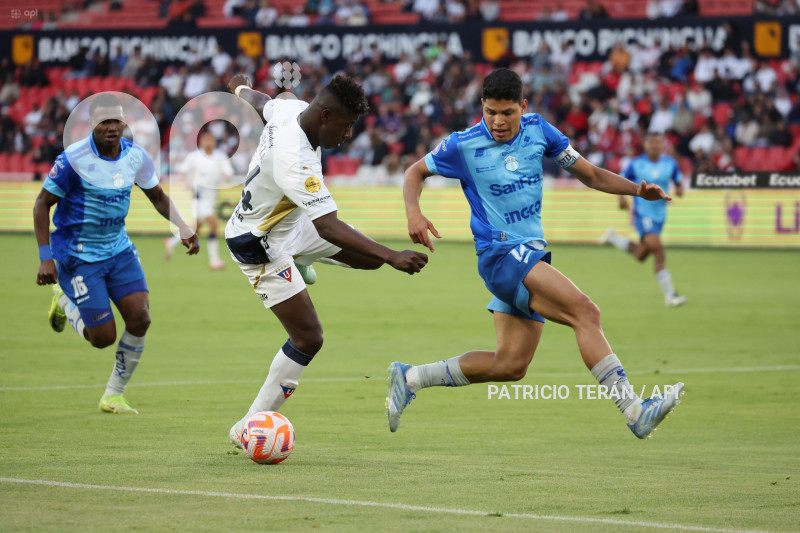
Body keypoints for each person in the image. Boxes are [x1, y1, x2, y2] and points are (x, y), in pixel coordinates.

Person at [388, 69, 684, 438]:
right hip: (500, 255)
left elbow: (590, 174)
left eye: (507, 112)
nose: (497, 121)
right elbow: (414, 172)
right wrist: (413, 212)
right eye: (491, 111)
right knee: (585, 312)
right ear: (482, 105)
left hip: (528, 254)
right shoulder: (462, 144)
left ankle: (411, 377)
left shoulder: (539, 130)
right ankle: (634, 410)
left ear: (523, 107)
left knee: (510, 365)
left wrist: (638, 191)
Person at [224, 74, 428, 447]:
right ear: (326, 116)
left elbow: (261, 101)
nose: (348, 134)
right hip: (260, 243)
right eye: (347, 125)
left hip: (291, 223)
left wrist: (238, 88)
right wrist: (393, 254)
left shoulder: (291, 109)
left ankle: (300, 262)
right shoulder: (294, 160)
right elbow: (330, 227)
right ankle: (248, 428)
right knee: (308, 338)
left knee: (369, 261)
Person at [34, 93, 199, 414]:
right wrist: (45, 257)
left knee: (140, 318)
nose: (111, 127)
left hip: (119, 250)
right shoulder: (73, 160)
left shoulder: (136, 156)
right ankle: (64, 299)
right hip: (78, 255)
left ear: (125, 123)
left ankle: (113, 395)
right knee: (102, 338)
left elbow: (158, 196)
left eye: (116, 121)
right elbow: (42, 204)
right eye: (104, 121)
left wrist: (182, 225)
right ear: (91, 124)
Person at [600, 133, 687, 307]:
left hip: (660, 216)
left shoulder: (670, 164)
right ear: (645, 145)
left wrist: (679, 190)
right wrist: (622, 198)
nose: (655, 146)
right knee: (658, 250)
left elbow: (679, 184)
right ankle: (670, 296)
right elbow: (621, 180)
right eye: (651, 142)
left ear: (663, 145)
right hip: (642, 213)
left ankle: (613, 238)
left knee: (640, 255)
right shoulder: (636, 164)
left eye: (658, 143)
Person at [165, 130, 233, 270]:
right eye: (205, 139)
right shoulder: (194, 156)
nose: (208, 142)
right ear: (201, 142)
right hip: (199, 196)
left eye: (211, 139)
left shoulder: (220, 156)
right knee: (213, 224)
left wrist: (225, 175)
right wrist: (186, 182)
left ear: (214, 141)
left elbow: (228, 174)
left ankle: (171, 242)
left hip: (211, 196)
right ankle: (214, 261)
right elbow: (183, 171)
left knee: (195, 228)